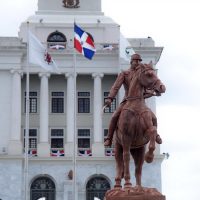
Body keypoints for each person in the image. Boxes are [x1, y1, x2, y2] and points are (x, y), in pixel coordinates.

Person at [104, 53, 162, 147]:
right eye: (136, 61)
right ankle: (109, 138)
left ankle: (156, 135)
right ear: (131, 62)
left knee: (154, 118)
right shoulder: (125, 74)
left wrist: (154, 92)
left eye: (139, 61)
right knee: (114, 116)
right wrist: (110, 98)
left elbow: (148, 86)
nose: (138, 63)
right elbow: (115, 87)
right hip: (127, 101)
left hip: (140, 102)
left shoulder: (142, 74)